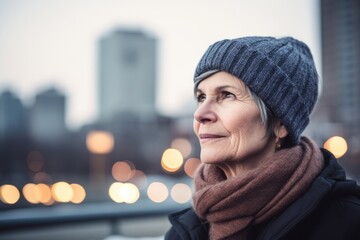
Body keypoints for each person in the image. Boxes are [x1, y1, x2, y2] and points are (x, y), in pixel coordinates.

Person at [165, 36, 360, 240]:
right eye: (201, 97)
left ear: (281, 123)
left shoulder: (346, 223)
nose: (199, 114)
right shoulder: (185, 231)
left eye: (227, 95)